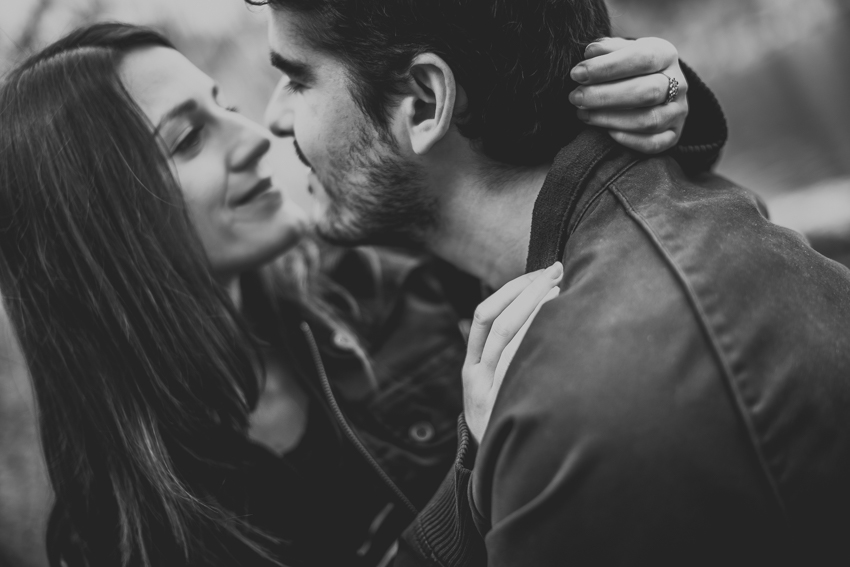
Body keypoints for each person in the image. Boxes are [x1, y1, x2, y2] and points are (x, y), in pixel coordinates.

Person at [0, 21, 723, 567]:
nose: (255, 134)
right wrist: (473, 473)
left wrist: (650, 100)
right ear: (95, 227)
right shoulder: (117, 538)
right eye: (189, 139)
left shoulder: (381, 280)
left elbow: (563, 224)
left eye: (221, 106)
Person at [255, 1, 850, 565]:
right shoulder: (689, 226)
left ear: (423, 103)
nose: (272, 118)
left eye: (300, 80)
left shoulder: (578, 420)